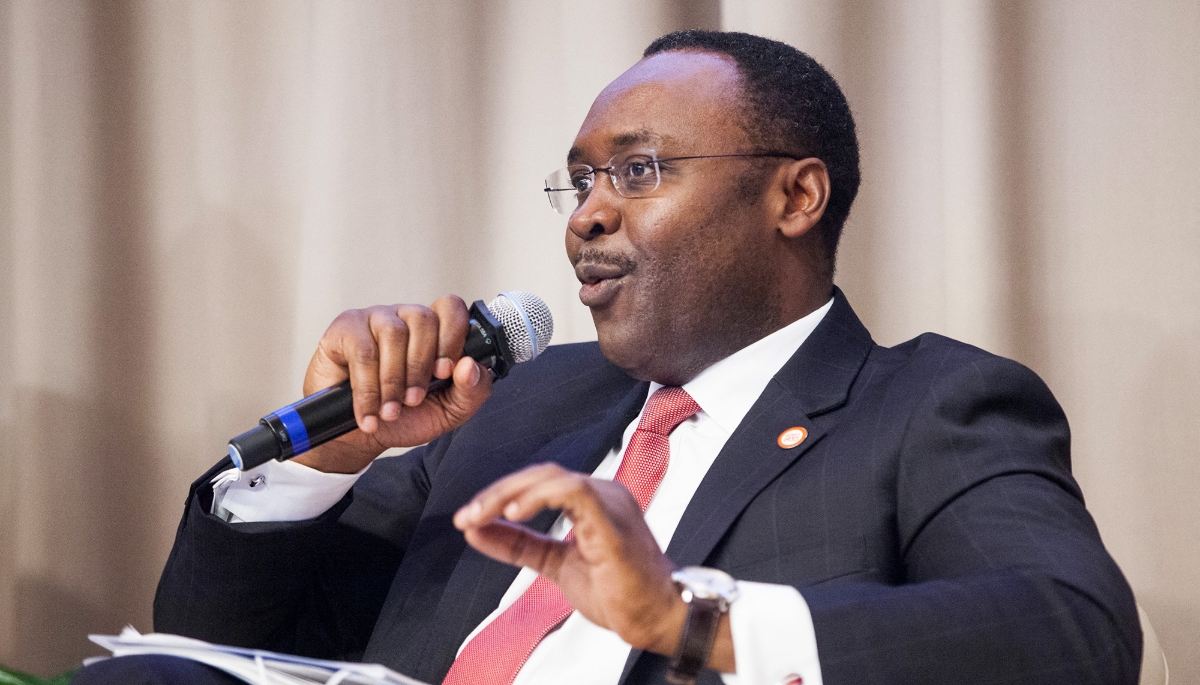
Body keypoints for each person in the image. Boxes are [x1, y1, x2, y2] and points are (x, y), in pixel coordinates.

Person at [75, 30, 1141, 685]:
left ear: (794, 195)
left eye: (637, 171)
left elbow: (1072, 634)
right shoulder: (524, 403)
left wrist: (685, 617)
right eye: (580, 182)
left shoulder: (930, 403)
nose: (586, 217)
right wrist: (331, 455)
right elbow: (224, 637)